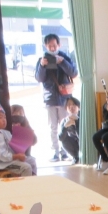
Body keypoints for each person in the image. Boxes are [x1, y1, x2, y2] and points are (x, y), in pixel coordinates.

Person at [35, 33, 78, 162]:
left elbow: (73, 73)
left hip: (64, 98)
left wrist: (62, 62)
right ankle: (55, 152)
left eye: (54, 45)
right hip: (50, 98)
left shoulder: (64, 57)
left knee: (65, 125)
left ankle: (66, 151)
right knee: (53, 127)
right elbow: (39, 78)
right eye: (50, 46)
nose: (52, 48)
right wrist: (42, 65)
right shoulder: (42, 59)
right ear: (45, 46)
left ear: (59, 45)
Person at [0, 106, 34, 176]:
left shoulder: (4, 132)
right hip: (2, 165)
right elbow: (1, 156)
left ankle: (32, 180)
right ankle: (26, 183)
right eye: (0, 117)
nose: (4, 120)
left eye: (4, 117)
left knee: (32, 160)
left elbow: (13, 145)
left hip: (7, 161)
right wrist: (17, 156)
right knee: (26, 167)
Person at [59, 96, 82, 165]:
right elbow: (60, 138)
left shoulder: (82, 118)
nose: (71, 106)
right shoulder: (64, 120)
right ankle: (75, 157)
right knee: (64, 140)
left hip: (83, 142)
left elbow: (82, 136)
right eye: (69, 105)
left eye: (74, 104)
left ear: (79, 107)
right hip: (74, 145)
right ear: (66, 108)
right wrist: (65, 127)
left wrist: (77, 121)